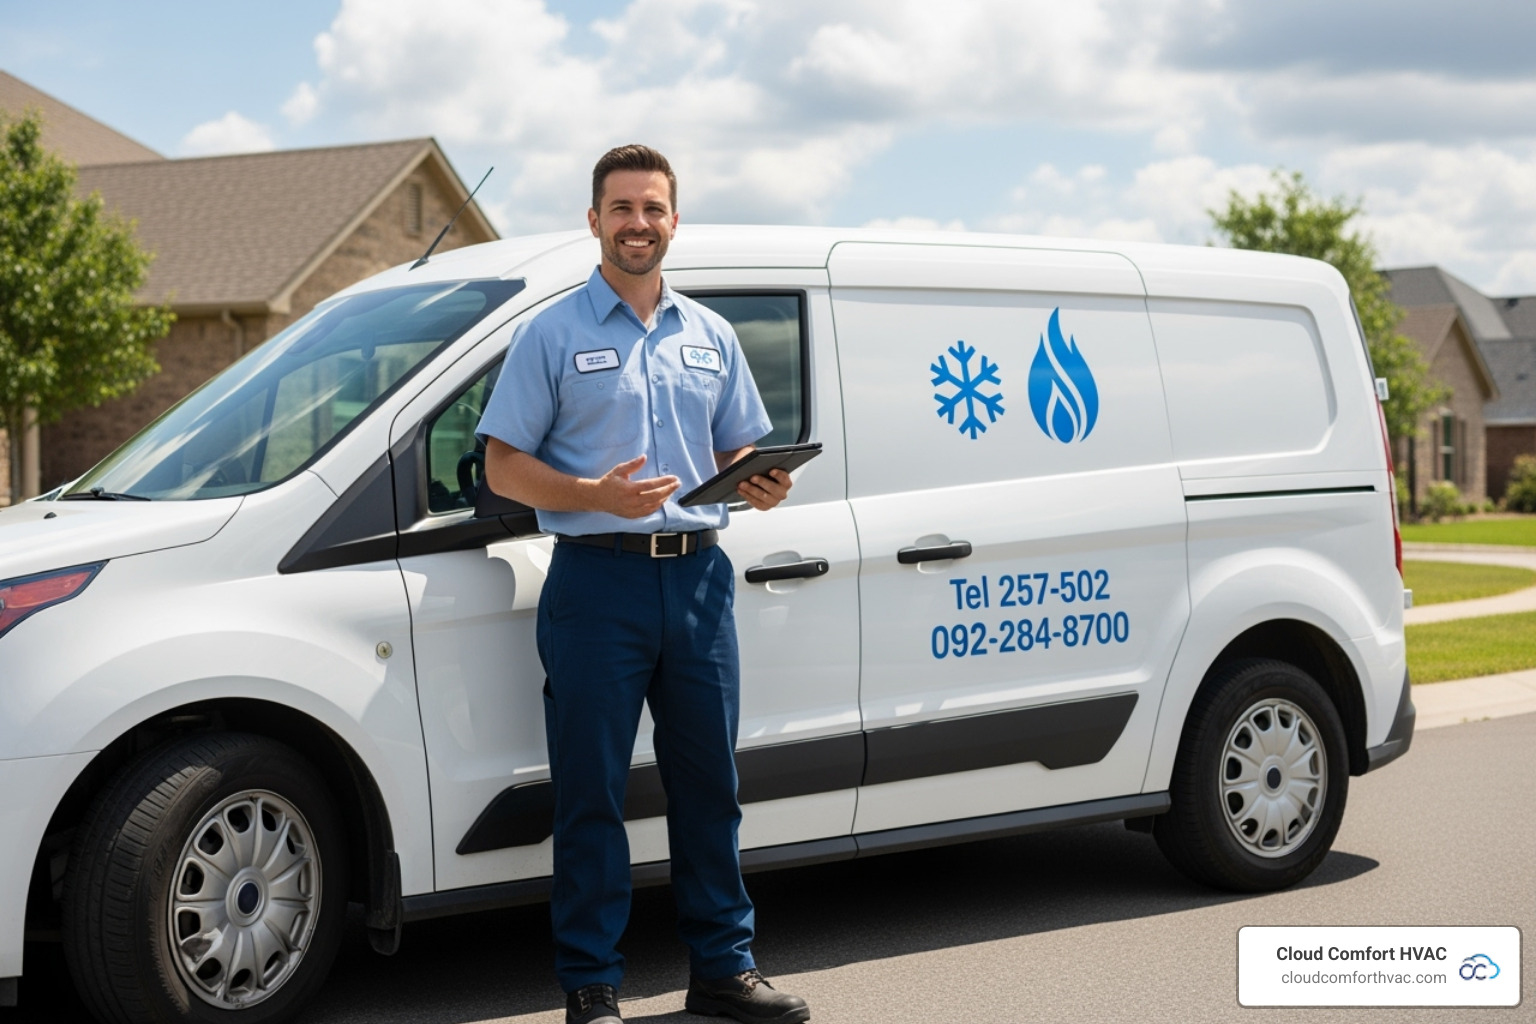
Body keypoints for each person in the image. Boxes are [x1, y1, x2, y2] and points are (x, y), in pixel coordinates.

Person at [476, 145, 811, 1024]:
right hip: (596, 587)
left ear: (673, 220)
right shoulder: (550, 334)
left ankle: (724, 970)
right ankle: (591, 985)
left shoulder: (711, 335)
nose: (638, 224)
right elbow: (503, 466)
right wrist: (594, 497)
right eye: (621, 208)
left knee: (710, 788)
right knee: (592, 793)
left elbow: (738, 445)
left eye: (653, 208)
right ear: (594, 221)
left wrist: (761, 479)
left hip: (699, 584)